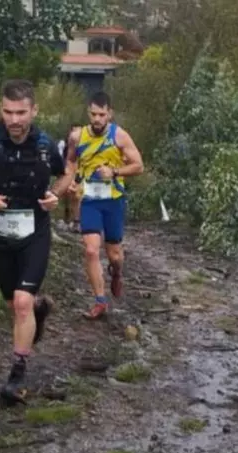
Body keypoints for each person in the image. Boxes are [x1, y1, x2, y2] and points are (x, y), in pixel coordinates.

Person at [0, 79, 75, 405]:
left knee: (21, 302)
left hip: (35, 231)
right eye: (8, 112)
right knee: (15, 305)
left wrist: (55, 194)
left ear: (34, 110)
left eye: (21, 113)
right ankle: (38, 311)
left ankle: (17, 376)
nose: (14, 120)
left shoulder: (45, 145)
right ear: (1, 110)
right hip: (0, 235)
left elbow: (66, 173)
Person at [64, 91, 143, 320]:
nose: (97, 119)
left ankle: (116, 272)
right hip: (89, 200)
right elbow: (70, 161)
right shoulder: (77, 137)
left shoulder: (120, 136)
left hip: (113, 200)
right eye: (93, 114)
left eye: (101, 114)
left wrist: (114, 171)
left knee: (114, 254)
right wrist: (71, 181)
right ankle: (100, 301)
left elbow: (139, 166)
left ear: (110, 114)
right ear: (88, 113)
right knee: (91, 250)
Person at [58, 123, 84, 233]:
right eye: (74, 131)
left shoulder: (85, 145)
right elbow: (60, 159)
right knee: (67, 196)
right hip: (66, 172)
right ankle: (67, 217)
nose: (77, 134)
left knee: (77, 196)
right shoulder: (63, 144)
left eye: (79, 132)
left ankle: (77, 221)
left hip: (80, 172)